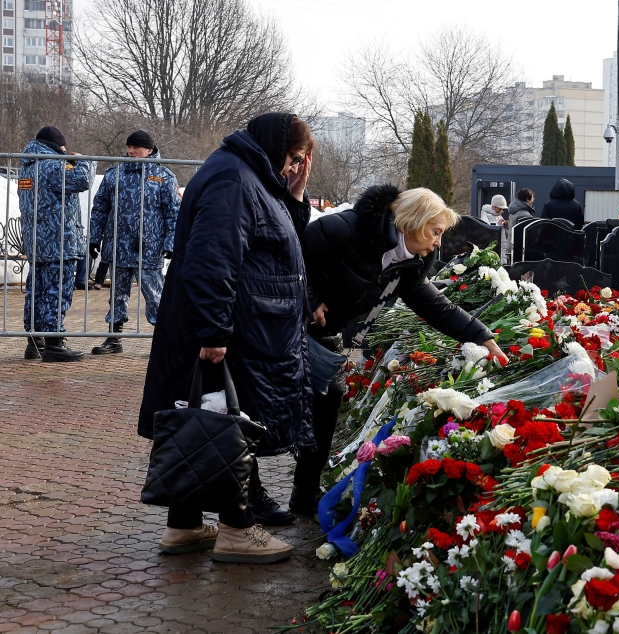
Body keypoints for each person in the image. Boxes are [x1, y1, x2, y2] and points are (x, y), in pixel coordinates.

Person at [138, 112, 315, 563]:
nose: (297, 167)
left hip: (231, 325)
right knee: (225, 425)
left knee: (204, 418)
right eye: (294, 158)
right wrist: (215, 330)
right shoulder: (235, 178)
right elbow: (212, 258)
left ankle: (184, 524)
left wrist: (294, 196)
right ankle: (236, 529)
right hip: (226, 329)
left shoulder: (247, 175)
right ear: (276, 148)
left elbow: (274, 240)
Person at [289, 185, 510, 514]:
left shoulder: (408, 263)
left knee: (329, 398)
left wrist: (482, 336)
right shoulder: (348, 228)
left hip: (325, 329)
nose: (438, 242)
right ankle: (246, 506)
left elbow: (436, 306)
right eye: (435, 232)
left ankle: (304, 491)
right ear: (415, 222)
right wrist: (310, 295)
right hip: (288, 320)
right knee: (272, 403)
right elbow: (295, 251)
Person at [88, 130, 181, 354]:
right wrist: (94, 237)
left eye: (136, 148)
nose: (130, 151)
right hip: (117, 247)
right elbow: (100, 207)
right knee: (116, 294)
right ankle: (114, 338)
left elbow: (173, 213)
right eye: (129, 147)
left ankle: (165, 342)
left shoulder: (164, 176)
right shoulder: (114, 174)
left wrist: (170, 244)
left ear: (149, 150)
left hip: (148, 248)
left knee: (155, 296)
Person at [19, 126, 95, 362]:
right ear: (57, 146)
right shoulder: (52, 164)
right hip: (59, 242)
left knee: (36, 292)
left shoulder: (27, 167)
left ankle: (35, 342)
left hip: (38, 243)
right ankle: (54, 343)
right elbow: (82, 180)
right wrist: (84, 161)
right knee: (56, 292)